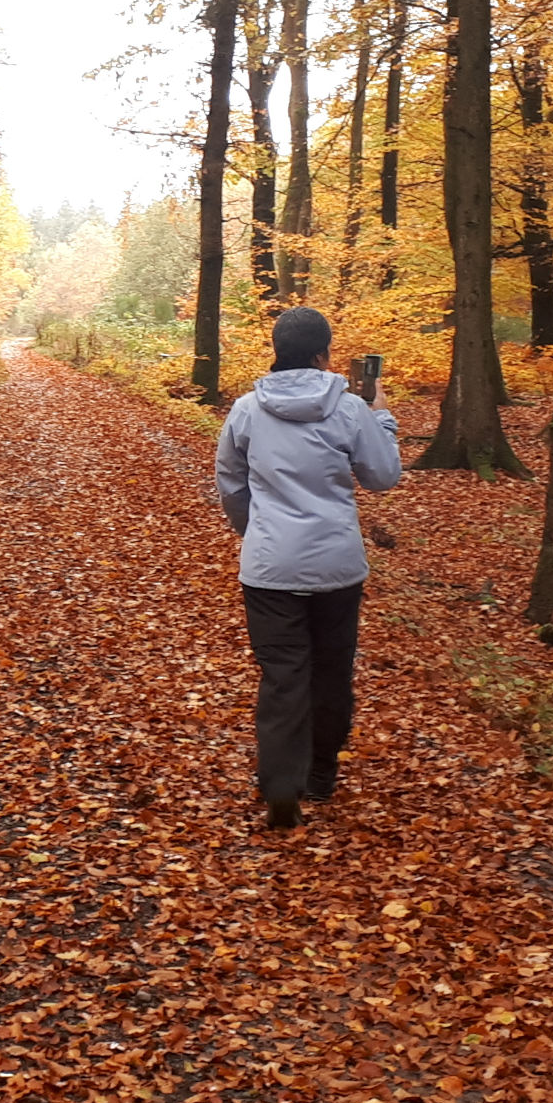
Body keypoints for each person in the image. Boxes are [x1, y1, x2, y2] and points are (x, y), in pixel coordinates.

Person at [212, 307, 403, 830]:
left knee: (283, 676)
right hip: (336, 568)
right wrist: (382, 415)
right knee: (331, 672)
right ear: (323, 354)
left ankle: (279, 784)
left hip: (270, 569)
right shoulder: (348, 410)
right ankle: (320, 776)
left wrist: (256, 532)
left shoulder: (248, 410)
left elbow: (229, 483)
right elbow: (383, 476)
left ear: (278, 349)